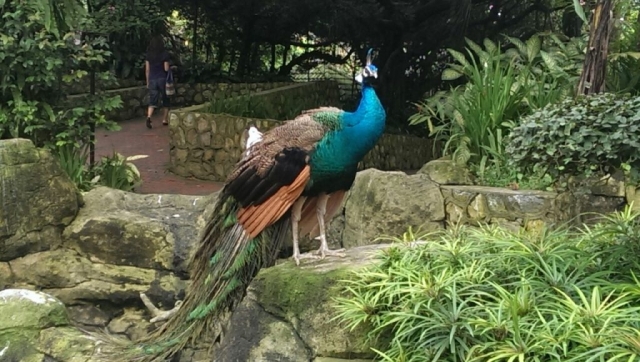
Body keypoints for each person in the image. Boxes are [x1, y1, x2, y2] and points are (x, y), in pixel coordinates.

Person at [145, 35, 171, 128]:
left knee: (153, 100)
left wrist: (147, 81)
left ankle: (148, 117)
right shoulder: (164, 54)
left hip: (152, 79)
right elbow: (166, 68)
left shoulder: (149, 55)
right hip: (162, 79)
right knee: (165, 99)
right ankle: (164, 120)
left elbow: (147, 70)